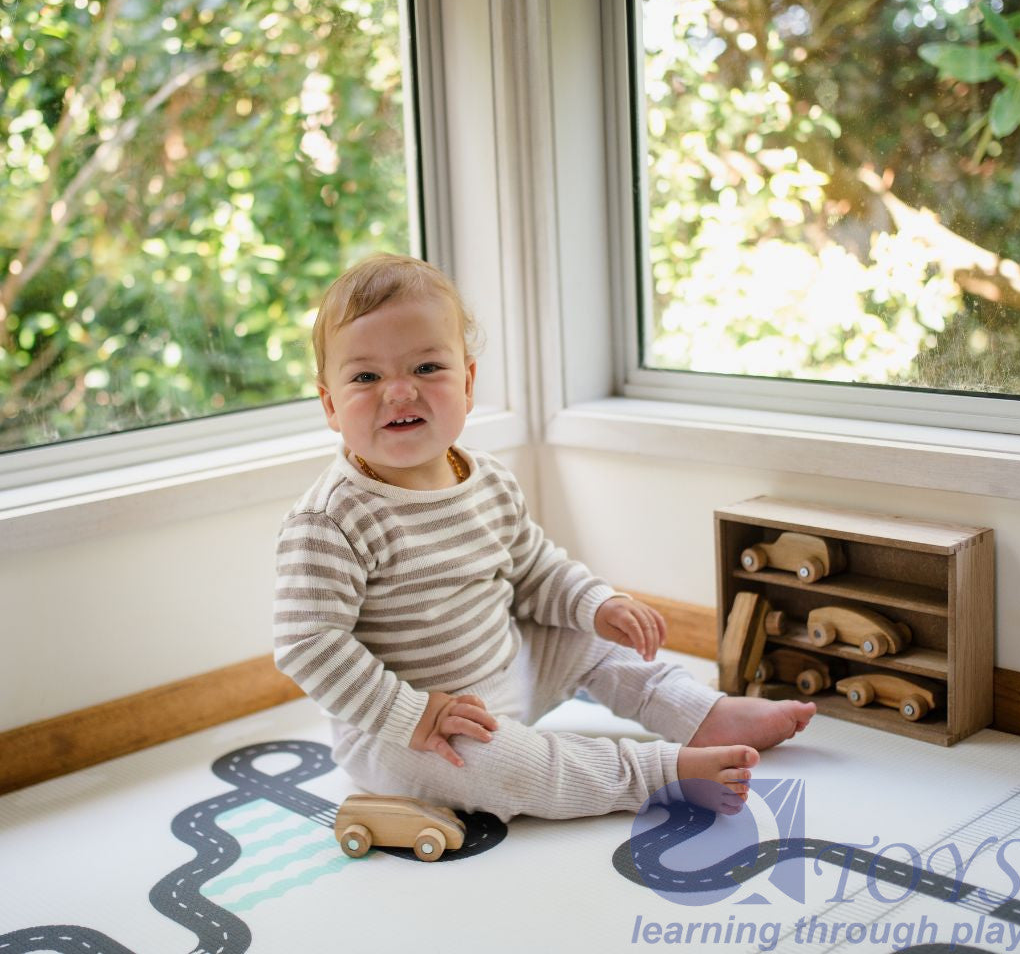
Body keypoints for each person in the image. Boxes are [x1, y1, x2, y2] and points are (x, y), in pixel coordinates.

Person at [273, 253, 815, 823]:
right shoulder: (331, 519)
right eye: (366, 377)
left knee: (592, 641)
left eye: (427, 368)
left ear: (469, 381)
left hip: (510, 672)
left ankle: (703, 713)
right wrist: (412, 714)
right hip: (407, 736)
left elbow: (533, 569)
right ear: (331, 405)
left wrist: (594, 603)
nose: (401, 393)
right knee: (513, 767)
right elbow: (310, 645)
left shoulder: (486, 480)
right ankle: (655, 774)